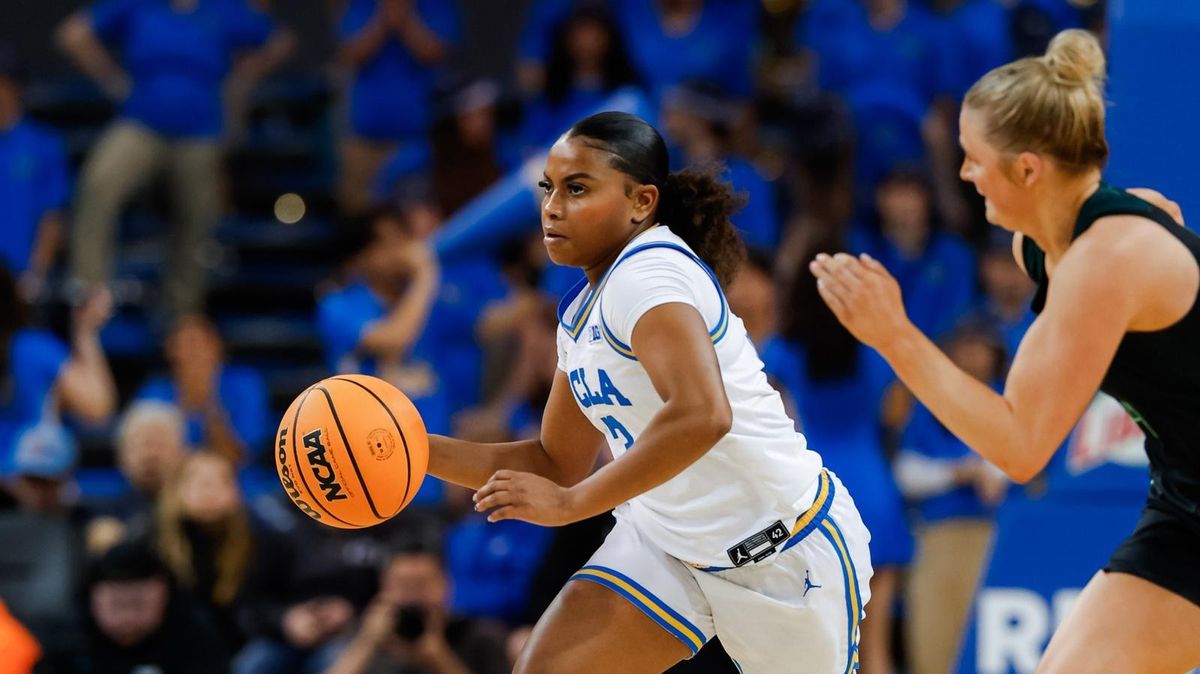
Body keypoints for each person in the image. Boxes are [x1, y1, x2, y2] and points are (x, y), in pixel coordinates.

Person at [424, 111, 872, 673]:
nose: (552, 206)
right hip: (667, 547)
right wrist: (412, 453)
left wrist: (572, 506)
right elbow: (555, 460)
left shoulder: (651, 273)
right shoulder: (580, 312)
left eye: (577, 188)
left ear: (641, 202)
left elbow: (702, 415)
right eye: (548, 188)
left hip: (777, 550)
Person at [810, 29, 1200, 672]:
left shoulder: (1106, 260)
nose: (963, 173)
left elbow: (1020, 447)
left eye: (974, 156)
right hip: (1185, 503)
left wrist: (896, 337)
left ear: (1027, 168)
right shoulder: (1053, 246)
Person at [56, 0, 292, 317]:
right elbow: (73, 34)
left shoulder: (223, 8)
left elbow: (279, 40)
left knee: (198, 217)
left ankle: (182, 313)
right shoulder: (139, 5)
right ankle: (88, 288)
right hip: (142, 122)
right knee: (98, 181)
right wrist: (112, 80)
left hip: (202, 131)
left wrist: (244, 76)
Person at [323, 540, 510, 674]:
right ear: (383, 588)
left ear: (447, 585)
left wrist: (439, 658)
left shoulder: (482, 637)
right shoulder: (362, 634)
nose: (413, 596)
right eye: (403, 585)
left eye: (421, 584)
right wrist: (367, 643)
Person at [0, 262, 116, 476]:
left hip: (33, 476)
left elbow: (96, 408)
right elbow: (98, 406)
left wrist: (85, 332)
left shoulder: (28, 348)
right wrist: (85, 333)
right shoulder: (31, 346)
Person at [72, 540, 231, 674]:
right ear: (93, 602)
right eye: (117, 605)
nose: (128, 618)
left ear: (165, 596)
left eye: (137, 604)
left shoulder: (195, 634)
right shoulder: (75, 640)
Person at [135, 314, 269, 464]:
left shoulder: (244, 384)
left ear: (217, 347)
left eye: (200, 344)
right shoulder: (155, 392)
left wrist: (208, 405)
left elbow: (240, 457)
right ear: (171, 351)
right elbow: (141, 456)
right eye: (185, 345)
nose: (194, 354)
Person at [0, 45, 70, 298]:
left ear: (15, 88)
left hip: (20, 280)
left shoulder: (44, 144)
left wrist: (36, 275)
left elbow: (52, 216)